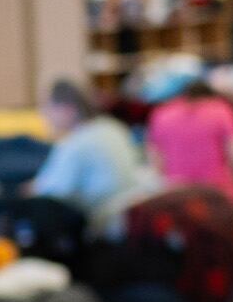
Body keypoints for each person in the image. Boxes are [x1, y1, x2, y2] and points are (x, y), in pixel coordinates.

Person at [30, 81, 150, 224]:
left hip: (105, 222)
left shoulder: (75, 143)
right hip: (132, 211)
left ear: (68, 109)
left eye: (48, 107)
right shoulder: (114, 127)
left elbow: (49, 193)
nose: (45, 115)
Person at [140, 76, 233, 204]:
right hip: (218, 193)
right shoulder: (221, 109)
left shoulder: (161, 113)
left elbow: (155, 160)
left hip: (178, 194)